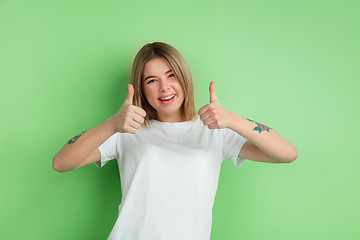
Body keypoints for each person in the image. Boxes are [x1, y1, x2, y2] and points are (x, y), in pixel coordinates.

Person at [53, 42, 298, 240]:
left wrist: (232, 119)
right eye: (151, 80)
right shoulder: (127, 130)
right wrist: (111, 125)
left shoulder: (214, 130)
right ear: (141, 88)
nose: (164, 87)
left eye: (171, 75)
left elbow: (287, 153)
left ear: (184, 78)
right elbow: (61, 162)